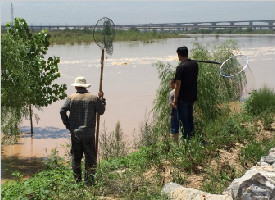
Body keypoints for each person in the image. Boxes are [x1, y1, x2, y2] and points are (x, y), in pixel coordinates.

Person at [60, 76, 106, 185]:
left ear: (76, 86)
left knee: (76, 158)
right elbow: (101, 111)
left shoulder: (71, 97)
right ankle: (89, 182)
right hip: (89, 133)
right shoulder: (93, 98)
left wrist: (68, 125)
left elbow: (62, 111)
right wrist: (102, 100)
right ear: (85, 86)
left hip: (75, 133)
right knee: (90, 158)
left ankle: (77, 181)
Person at [173, 46, 198, 140]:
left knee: (183, 120)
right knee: (189, 117)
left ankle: (187, 139)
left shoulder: (180, 67)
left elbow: (177, 84)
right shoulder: (194, 64)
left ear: (179, 55)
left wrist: (175, 99)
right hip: (192, 95)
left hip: (183, 97)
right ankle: (193, 136)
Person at [169, 78, 179, 143]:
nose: (170, 85)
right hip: (183, 111)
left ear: (173, 84)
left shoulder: (172, 92)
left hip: (175, 111)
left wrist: (177, 108)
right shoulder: (182, 91)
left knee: (174, 127)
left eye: (170, 83)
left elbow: (171, 103)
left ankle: (175, 143)